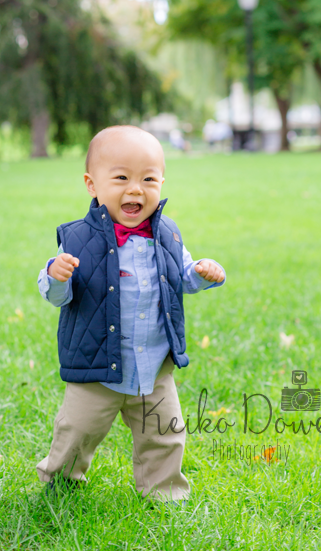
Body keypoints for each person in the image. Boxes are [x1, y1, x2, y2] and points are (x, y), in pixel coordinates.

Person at [36, 125, 226, 504]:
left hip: (153, 366)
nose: (136, 189)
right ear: (92, 184)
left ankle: (165, 492)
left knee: (165, 432)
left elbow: (181, 277)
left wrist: (201, 273)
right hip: (97, 366)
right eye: (121, 178)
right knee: (78, 430)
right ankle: (62, 484)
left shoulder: (168, 234)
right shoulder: (77, 239)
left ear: (162, 182)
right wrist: (56, 275)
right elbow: (58, 296)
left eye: (148, 179)